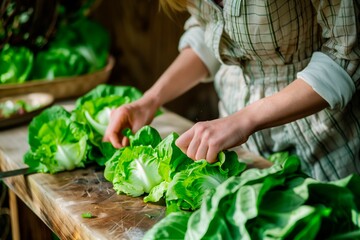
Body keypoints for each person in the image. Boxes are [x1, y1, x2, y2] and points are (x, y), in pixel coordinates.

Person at [103, 0, 360, 181]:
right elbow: (209, 31)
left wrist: (244, 120)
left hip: (326, 138)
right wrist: (149, 101)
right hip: (242, 147)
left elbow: (347, 55)